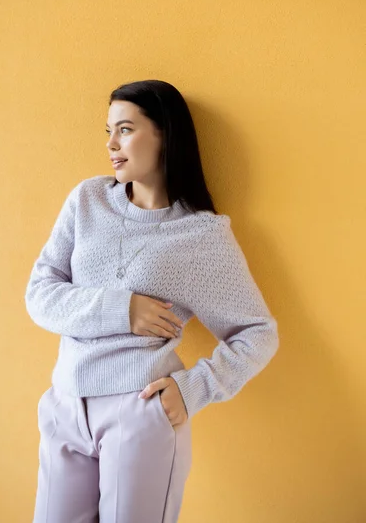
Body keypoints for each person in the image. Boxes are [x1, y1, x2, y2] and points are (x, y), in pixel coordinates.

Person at [25, 79, 279, 523]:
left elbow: (257, 333)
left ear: (164, 134)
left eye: (124, 129)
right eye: (108, 131)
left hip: (139, 411)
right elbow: (40, 294)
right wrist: (122, 309)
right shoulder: (87, 200)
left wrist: (193, 388)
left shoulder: (201, 235)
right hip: (65, 403)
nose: (111, 144)